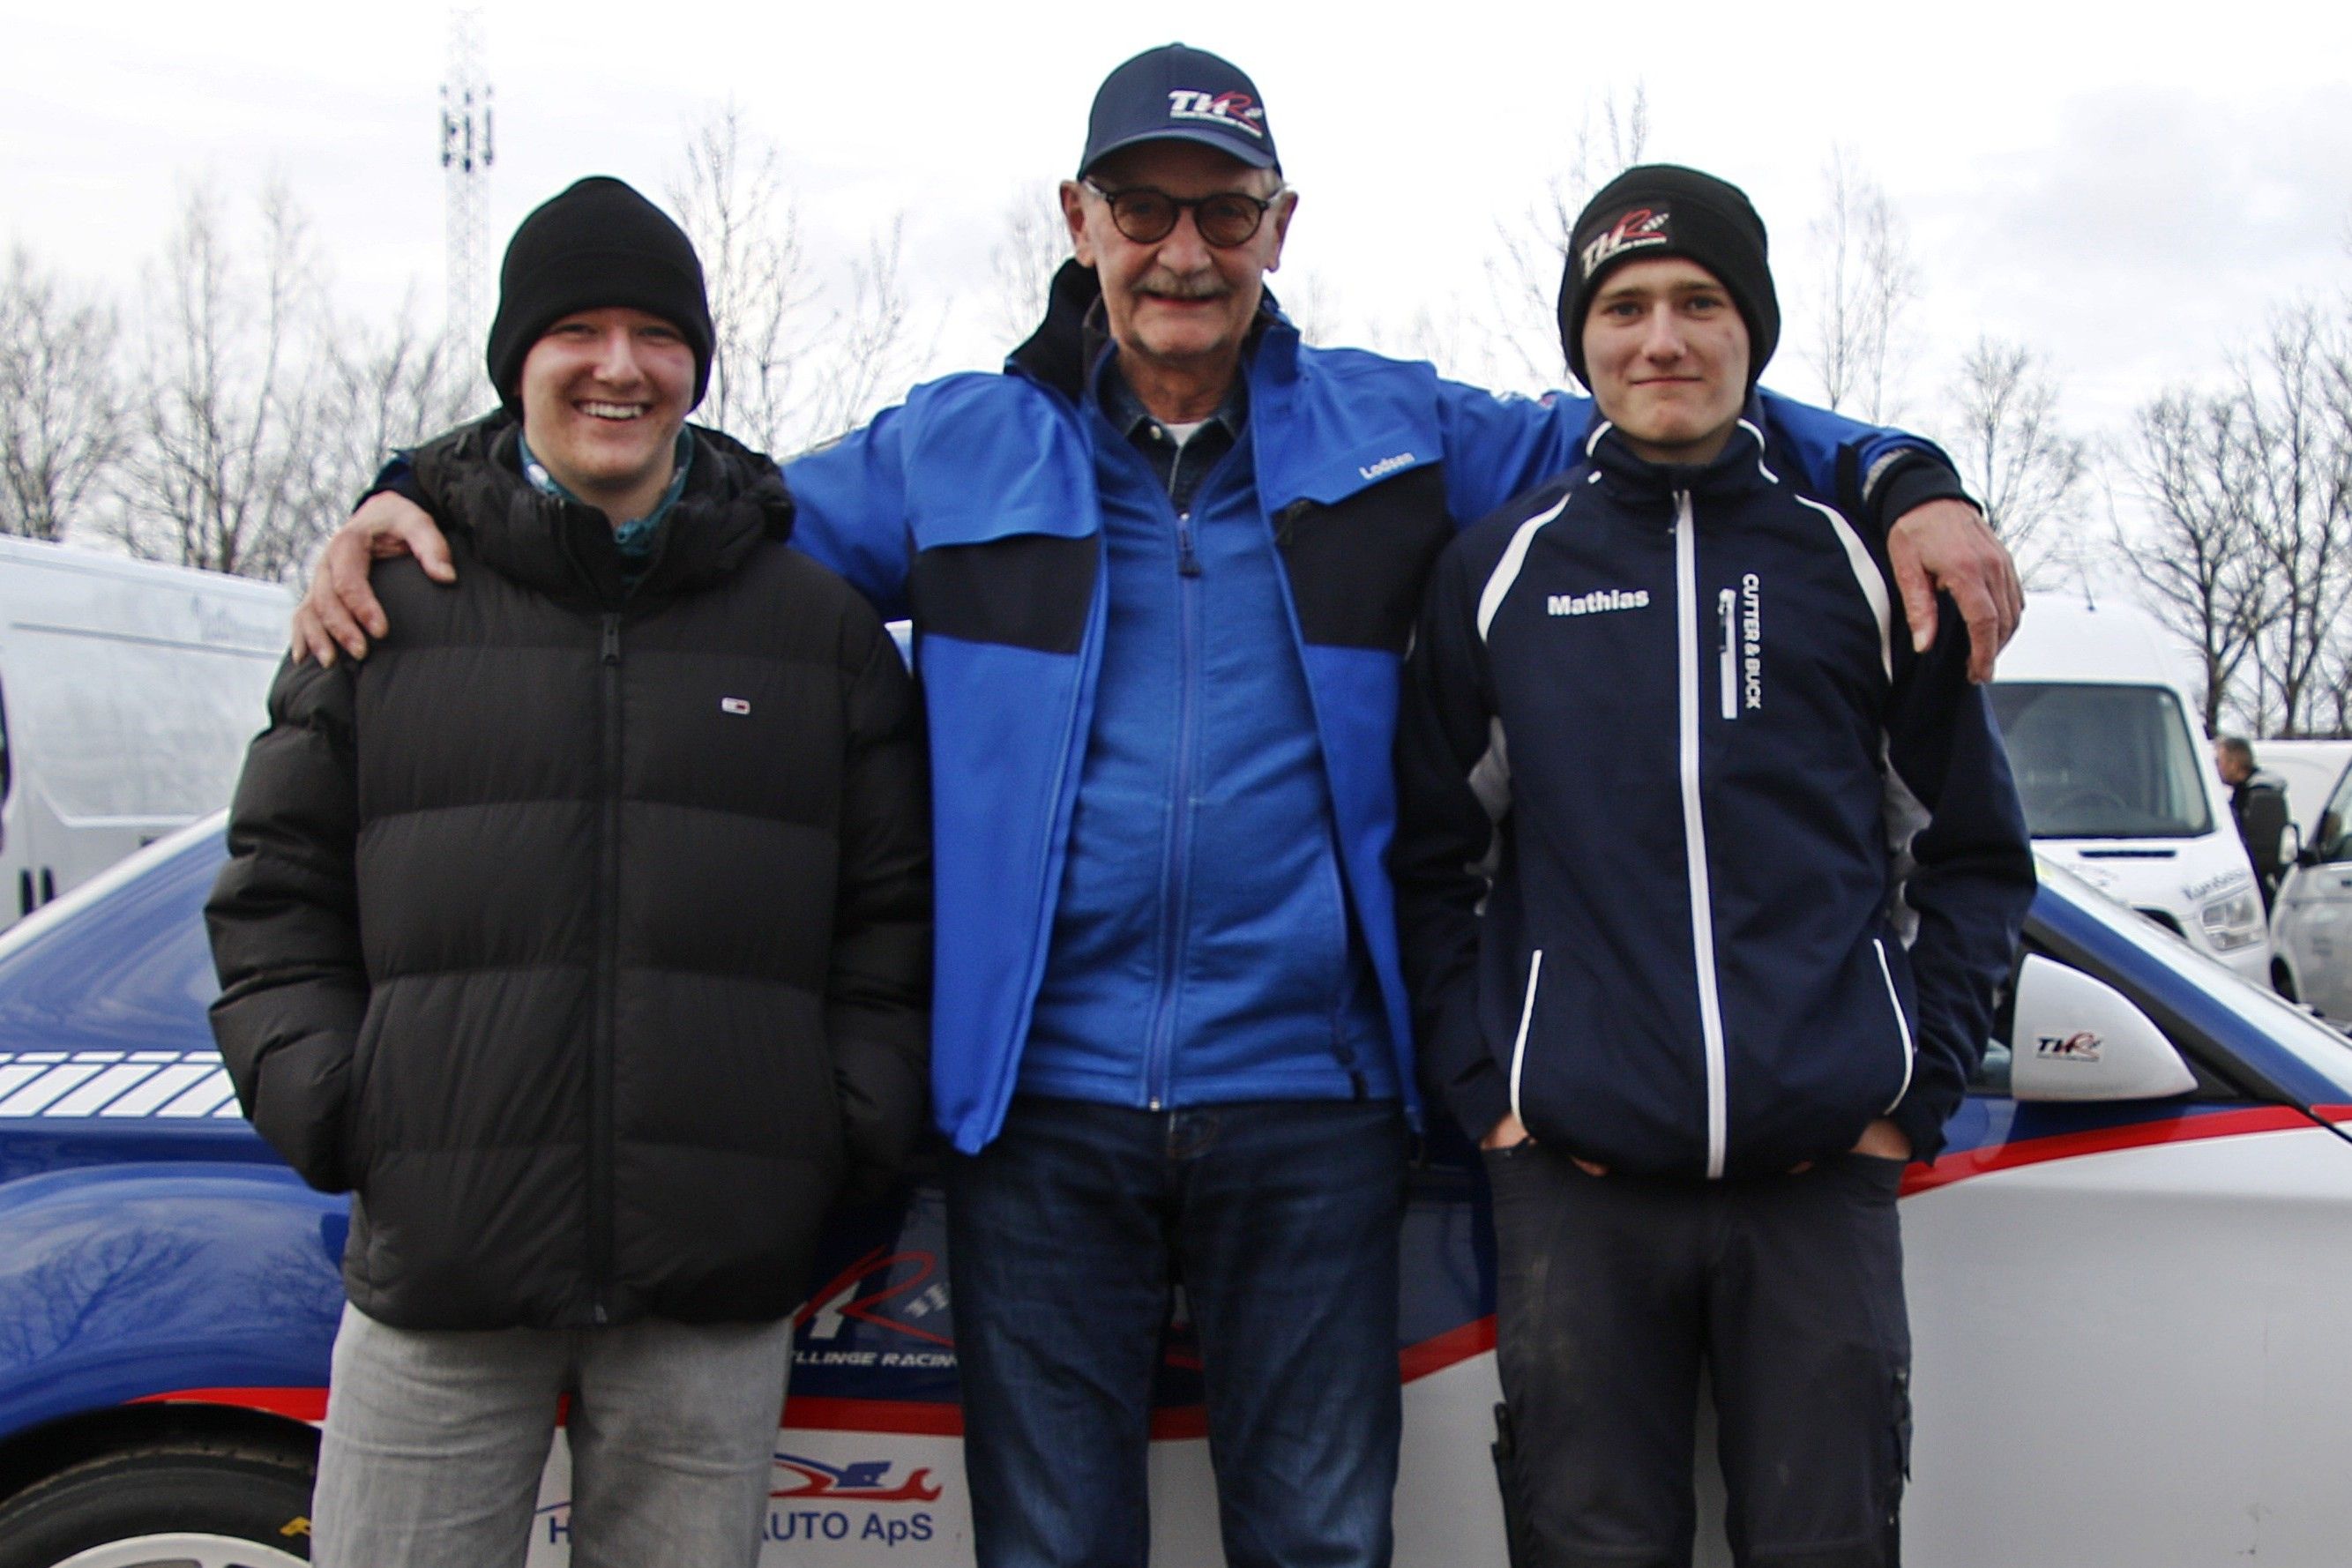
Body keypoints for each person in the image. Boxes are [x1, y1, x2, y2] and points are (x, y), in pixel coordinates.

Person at [289, 49, 2022, 1568]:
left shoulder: (1396, 432)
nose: (1182, 248)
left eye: (1223, 208)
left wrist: (1901, 475)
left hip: (1315, 1106)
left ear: (1278, 223)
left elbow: (1665, 404)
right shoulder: (957, 447)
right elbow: (658, 486)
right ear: (1078, 217)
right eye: (1143, 206)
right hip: (1036, 1113)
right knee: (1050, 1545)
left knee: (1320, 1536)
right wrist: (417, 482)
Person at [205, 176, 930, 1568]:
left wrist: (829, 1120)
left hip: (710, 1283)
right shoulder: (385, 607)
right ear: (515, 361)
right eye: (576, 331)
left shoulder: (813, 627)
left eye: (655, 334)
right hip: (441, 1270)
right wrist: (356, 1111)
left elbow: (891, 922)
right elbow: (271, 895)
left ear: (694, 368)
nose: (617, 366)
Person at [1393, 164, 2037, 1567]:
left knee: (1826, 1545)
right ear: (1582, 342)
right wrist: (1488, 1096)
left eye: (1697, 303)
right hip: (1575, 1181)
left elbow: (1974, 862)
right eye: (1621, 308)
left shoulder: (1857, 565)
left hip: (1818, 1179)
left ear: (1751, 332)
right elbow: (1433, 864)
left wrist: (1907, 1091)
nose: (1660, 341)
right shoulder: (1500, 571)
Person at [2216, 734, 2291, 908]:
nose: (2217, 767)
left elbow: (2260, 853)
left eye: (2219, 761)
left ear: (2234, 763)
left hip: (2256, 889)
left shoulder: (2261, 797)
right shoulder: (2244, 793)